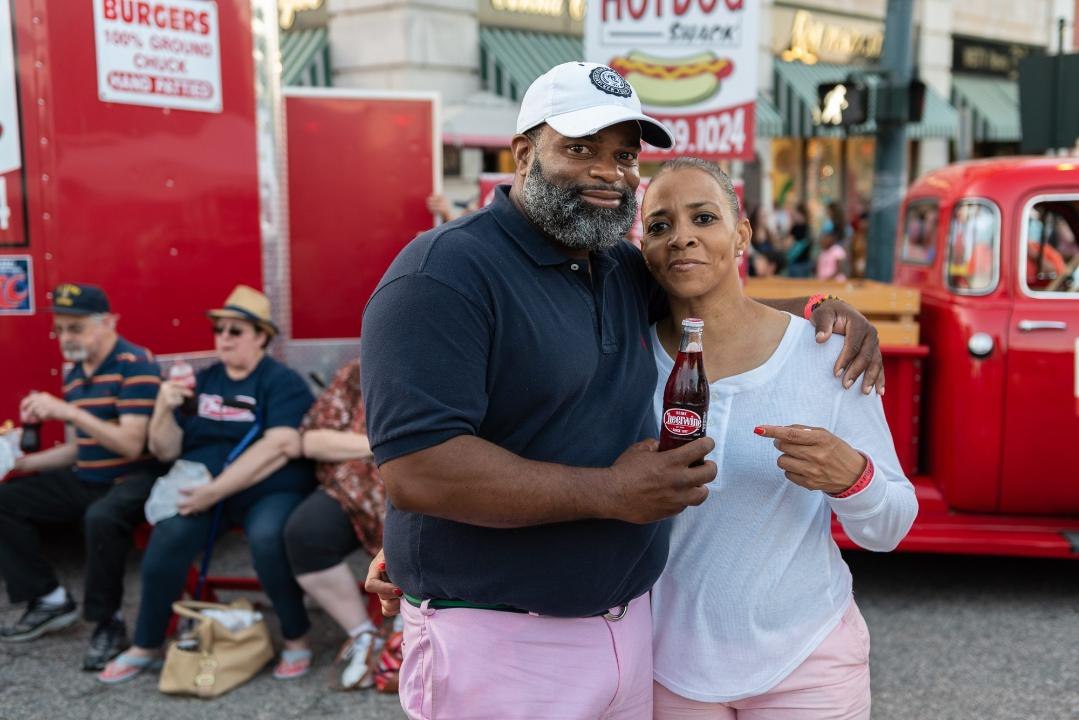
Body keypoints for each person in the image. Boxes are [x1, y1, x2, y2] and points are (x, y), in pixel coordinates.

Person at [360, 62, 884, 720]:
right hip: (500, 641)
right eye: (580, 149)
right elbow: (417, 469)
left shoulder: (614, 266)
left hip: (631, 637)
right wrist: (611, 491)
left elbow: (713, 293)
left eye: (624, 155)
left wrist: (825, 308)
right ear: (523, 153)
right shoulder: (442, 274)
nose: (610, 173)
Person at [639, 158, 917, 719]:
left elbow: (891, 527)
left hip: (807, 660)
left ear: (741, 234)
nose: (682, 237)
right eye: (660, 225)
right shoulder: (627, 360)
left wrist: (853, 479)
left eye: (704, 217)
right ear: (641, 247)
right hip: (665, 667)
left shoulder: (824, 356)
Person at [98, 285, 316, 683]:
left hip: (265, 487)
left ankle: (296, 637)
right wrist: (162, 409)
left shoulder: (282, 382)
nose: (224, 338)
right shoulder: (205, 381)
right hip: (201, 486)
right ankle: (146, 645)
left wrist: (215, 492)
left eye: (236, 330)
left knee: (268, 538)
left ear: (261, 336)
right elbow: (166, 449)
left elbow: (280, 444)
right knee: (170, 536)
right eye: (220, 330)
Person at [0, 283, 162, 672]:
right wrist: (20, 464)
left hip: (132, 479)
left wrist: (68, 413)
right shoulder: (76, 373)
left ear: (107, 322)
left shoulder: (135, 364)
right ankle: (49, 599)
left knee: (101, 518)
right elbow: (80, 448)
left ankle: (109, 623)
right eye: (61, 329)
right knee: (6, 498)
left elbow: (130, 443)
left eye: (76, 328)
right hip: (89, 477)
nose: (66, 338)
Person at [283, 358, 387, 690]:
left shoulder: (456, 367)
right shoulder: (358, 370)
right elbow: (312, 441)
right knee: (305, 533)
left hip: (426, 490)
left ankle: (409, 633)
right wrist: (378, 446)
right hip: (353, 489)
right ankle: (364, 635)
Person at [785, 203, 813, 278]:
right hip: (806, 262)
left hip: (795, 263)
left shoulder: (795, 228)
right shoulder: (808, 228)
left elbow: (787, 244)